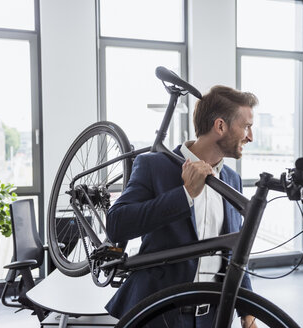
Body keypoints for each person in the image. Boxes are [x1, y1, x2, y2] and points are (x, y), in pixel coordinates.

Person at [105, 85, 259, 327]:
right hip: (158, 315)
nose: (250, 136)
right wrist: (185, 194)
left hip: (213, 317)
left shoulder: (232, 180)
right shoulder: (154, 165)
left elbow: (235, 250)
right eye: (247, 126)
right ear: (220, 126)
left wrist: (247, 311)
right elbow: (117, 225)